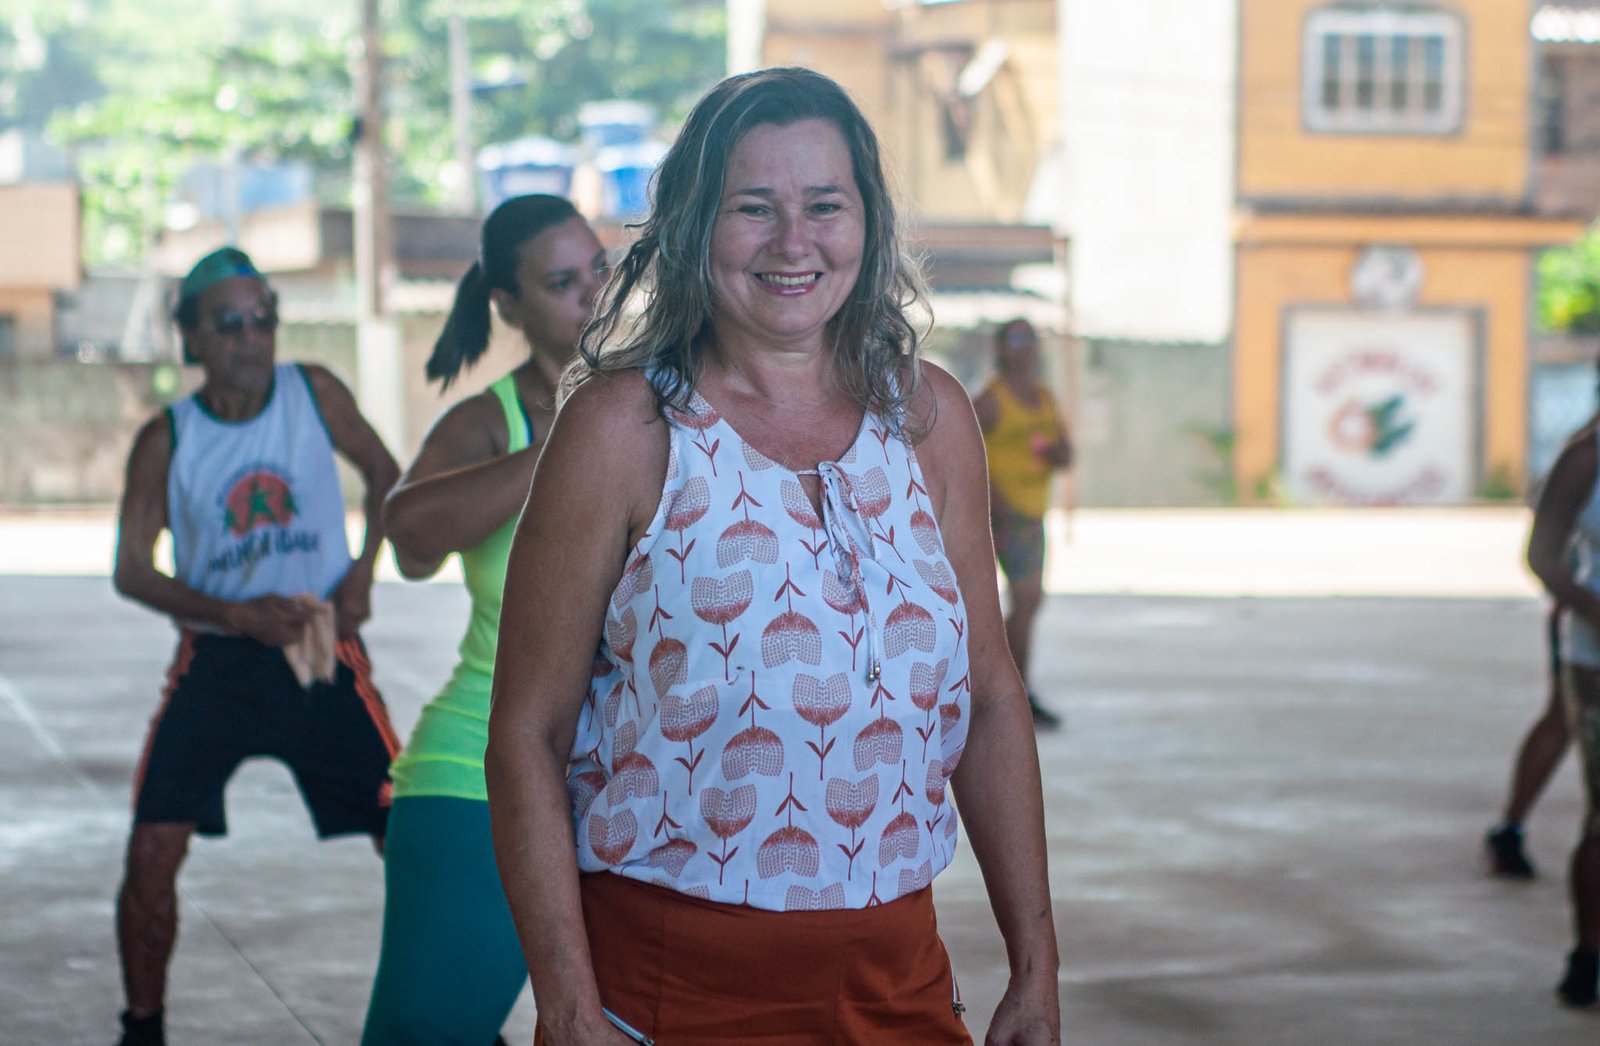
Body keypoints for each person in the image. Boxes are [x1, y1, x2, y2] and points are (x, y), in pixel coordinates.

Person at [485, 67, 1059, 1045]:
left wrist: (1036, 963)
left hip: (897, 982)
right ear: (692, 225)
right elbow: (527, 735)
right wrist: (568, 1002)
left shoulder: (929, 420)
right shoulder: (624, 428)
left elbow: (993, 695)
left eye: (823, 206)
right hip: (669, 989)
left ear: (867, 223)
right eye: (754, 207)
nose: (794, 242)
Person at [111, 247, 401, 1046]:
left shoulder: (313, 393)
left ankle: (451, 1012)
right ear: (191, 340)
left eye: (262, 320)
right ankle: (143, 1028)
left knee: (410, 839)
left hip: (321, 653)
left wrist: (359, 579)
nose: (249, 337)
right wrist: (233, 614)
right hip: (218, 665)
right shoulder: (168, 439)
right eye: (228, 324)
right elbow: (132, 571)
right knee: (151, 852)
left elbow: (388, 475)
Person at [361, 194, 609, 1045]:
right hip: (479, 774)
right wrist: (566, 447)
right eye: (562, 282)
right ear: (508, 305)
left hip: (642, 786)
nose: (592, 296)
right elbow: (412, 540)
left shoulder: (678, 402)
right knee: (425, 1033)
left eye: (601, 270)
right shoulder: (488, 424)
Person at [1526, 409, 1600, 1008]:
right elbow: (1542, 556)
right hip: (1596, 662)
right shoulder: (1585, 459)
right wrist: (1592, 610)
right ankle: (1588, 955)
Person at [974, 319, 1073, 730]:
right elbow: (961, 451)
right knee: (1007, 601)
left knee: (1029, 603)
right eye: (1016, 338)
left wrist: (1055, 451)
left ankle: (1016, 689)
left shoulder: (1044, 399)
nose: (1025, 345)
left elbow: (1067, 455)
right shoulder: (989, 401)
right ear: (1001, 348)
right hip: (999, 515)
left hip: (1031, 514)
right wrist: (987, 496)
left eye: (1031, 337)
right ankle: (999, 692)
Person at [1483, 604, 1570, 879]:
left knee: (1562, 716)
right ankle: (1511, 828)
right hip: (1583, 619)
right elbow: (1542, 560)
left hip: (1578, 612)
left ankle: (1510, 828)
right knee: (1563, 715)